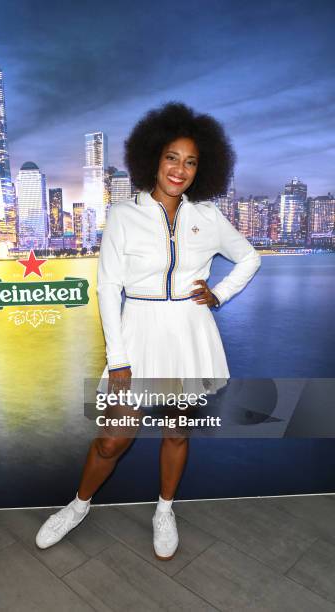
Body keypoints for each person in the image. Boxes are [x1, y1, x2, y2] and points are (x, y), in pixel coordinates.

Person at [36, 102, 261, 560]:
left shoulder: (209, 217)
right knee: (112, 437)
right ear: (153, 158)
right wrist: (117, 357)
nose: (180, 169)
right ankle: (78, 506)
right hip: (137, 331)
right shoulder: (124, 214)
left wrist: (219, 294)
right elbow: (107, 287)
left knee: (177, 432)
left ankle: (164, 510)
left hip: (188, 331)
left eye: (191, 161)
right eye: (172, 157)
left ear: (203, 168)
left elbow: (250, 258)